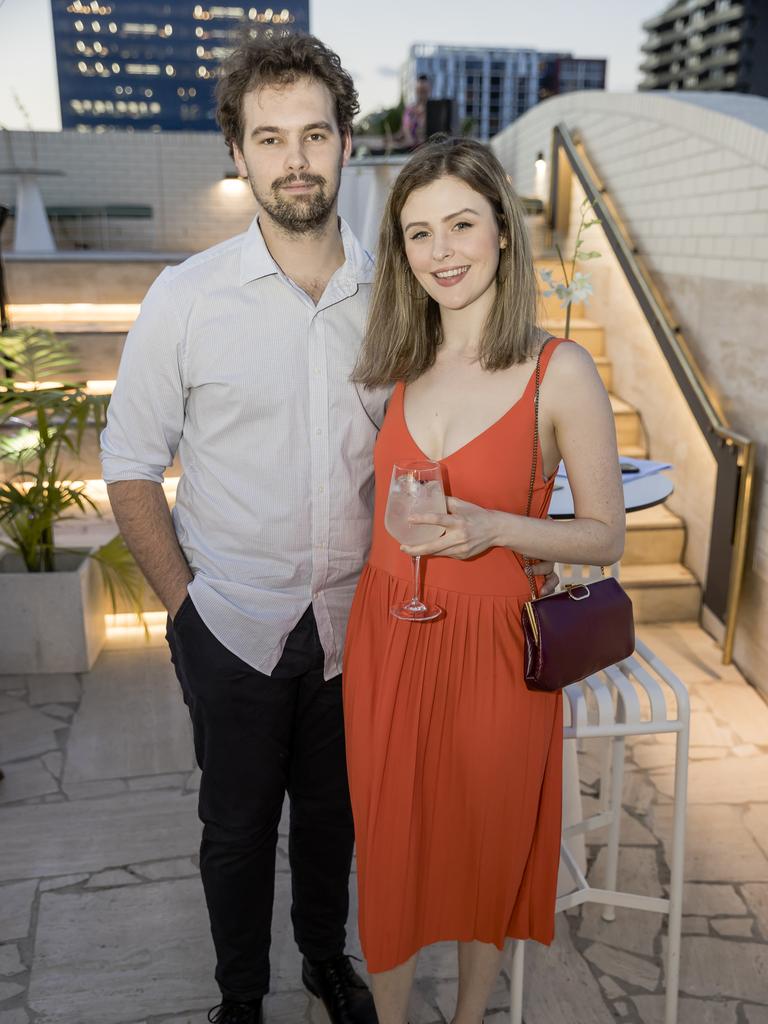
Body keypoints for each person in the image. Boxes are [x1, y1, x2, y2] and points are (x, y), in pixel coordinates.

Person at [100, 33, 559, 1024]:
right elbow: (130, 465)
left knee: (338, 822)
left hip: (366, 627)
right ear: (237, 152)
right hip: (232, 620)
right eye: (270, 138)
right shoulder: (184, 301)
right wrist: (186, 610)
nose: (295, 158)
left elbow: (463, 422)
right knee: (232, 831)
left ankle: (324, 959)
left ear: (349, 143)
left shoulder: (402, 298)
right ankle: (239, 997)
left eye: (315, 133)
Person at [344, 137, 626, 1024]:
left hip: (496, 651)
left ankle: (470, 1018)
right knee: (390, 855)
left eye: (461, 224)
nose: (442, 252)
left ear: (503, 229)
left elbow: (606, 535)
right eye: (419, 233)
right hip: (387, 634)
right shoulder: (397, 363)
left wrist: (502, 528)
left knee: (484, 845)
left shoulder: (560, 371)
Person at [400, 75, 431, 149]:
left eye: (424, 90)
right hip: (411, 150)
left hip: (429, 149)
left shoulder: (434, 109)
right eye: (420, 90)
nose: (421, 93)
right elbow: (404, 130)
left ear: (429, 89)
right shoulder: (409, 110)